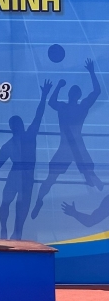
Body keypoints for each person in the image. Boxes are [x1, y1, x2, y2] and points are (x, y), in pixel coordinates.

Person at [0, 80, 52, 240]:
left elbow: (38, 115)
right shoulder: (9, 145)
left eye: (19, 124)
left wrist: (44, 96)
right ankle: (4, 229)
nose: (19, 126)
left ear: (21, 125)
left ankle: (17, 234)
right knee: (6, 202)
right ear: (12, 128)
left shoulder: (30, 135)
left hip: (27, 176)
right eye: (15, 125)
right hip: (16, 174)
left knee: (22, 209)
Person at [32, 59, 103, 218]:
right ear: (74, 95)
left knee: (89, 174)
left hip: (74, 147)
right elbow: (52, 102)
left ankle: (91, 180)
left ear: (75, 95)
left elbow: (96, 92)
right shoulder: (67, 107)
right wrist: (59, 86)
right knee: (51, 178)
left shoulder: (78, 107)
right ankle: (39, 200)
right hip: (67, 148)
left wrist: (91, 72)